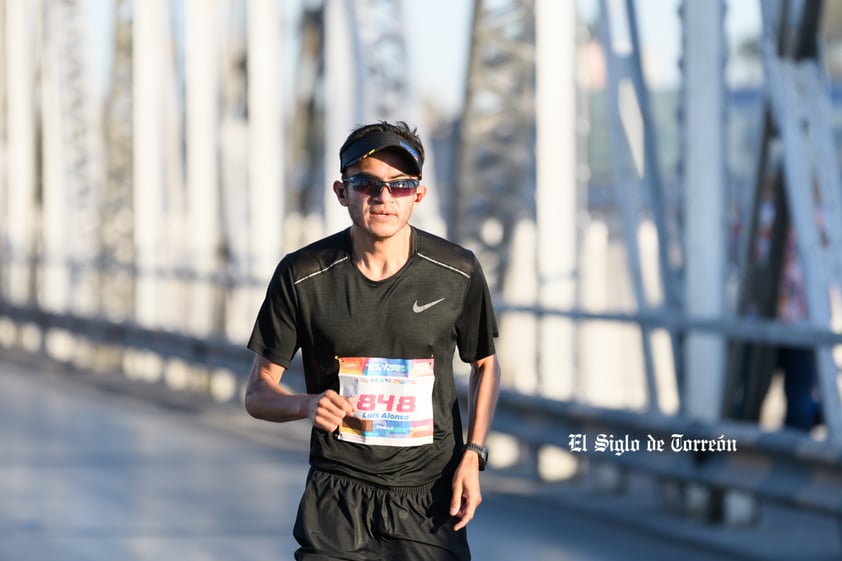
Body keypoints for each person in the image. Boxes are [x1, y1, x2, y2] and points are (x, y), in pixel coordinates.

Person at [244, 120, 501, 560]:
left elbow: (485, 365)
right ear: (341, 191)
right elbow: (257, 394)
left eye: (400, 185)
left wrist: (473, 455)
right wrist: (306, 404)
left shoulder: (457, 271)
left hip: (428, 498)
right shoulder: (303, 275)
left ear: (418, 195)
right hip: (336, 496)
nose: (383, 198)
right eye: (366, 183)